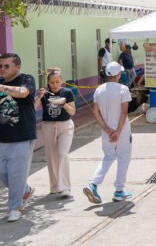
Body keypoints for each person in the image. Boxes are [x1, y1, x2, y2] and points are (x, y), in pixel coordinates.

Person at [83, 62, 134, 204]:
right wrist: (117, 131)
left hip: (106, 131)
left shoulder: (98, 90)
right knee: (124, 158)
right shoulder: (123, 89)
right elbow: (124, 112)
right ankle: (119, 190)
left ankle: (93, 184)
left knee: (108, 157)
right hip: (122, 130)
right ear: (118, 75)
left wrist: (106, 129)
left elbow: (95, 112)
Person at [0, 53, 37, 222]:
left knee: (16, 174)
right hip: (2, 138)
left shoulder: (26, 79)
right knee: (3, 174)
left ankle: (15, 207)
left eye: (6, 66)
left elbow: (22, 93)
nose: (2, 69)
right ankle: (25, 189)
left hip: (22, 136)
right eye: (1, 66)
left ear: (17, 67)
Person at [34, 69, 75, 198]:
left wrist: (64, 104)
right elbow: (33, 108)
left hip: (65, 126)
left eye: (57, 81)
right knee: (51, 157)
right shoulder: (45, 94)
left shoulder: (67, 92)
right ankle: (54, 186)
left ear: (61, 81)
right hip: (48, 126)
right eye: (52, 82)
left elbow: (72, 112)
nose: (55, 84)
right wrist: (39, 96)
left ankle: (65, 187)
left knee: (62, 154)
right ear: (48, 83)